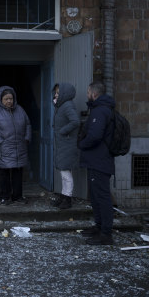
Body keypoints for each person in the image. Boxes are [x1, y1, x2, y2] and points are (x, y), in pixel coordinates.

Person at [77, 81, 115, 245]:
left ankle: (106, 233)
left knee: (101, 196)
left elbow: (95, 136)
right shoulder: (102, 109)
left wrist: (81, 144)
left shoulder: (100, 111)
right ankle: (99, 227)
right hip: (98, 160)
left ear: (94, 93)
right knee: (95, 195)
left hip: (99, 160)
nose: (87, 95)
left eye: (87, 92)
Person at [0, 86, 31, 205]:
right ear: (1, 99)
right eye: (6, 99)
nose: (9, 101)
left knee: (17, 173)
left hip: (19, 147)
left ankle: (17, 196)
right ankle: (5, 196)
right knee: (4, 174)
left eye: (11, 98)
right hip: (4, 148)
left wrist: (27, 138)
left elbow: (28, 124)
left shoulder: (20, 110)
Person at [52, 83, 80, 209]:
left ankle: (67, 199)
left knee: (66, 173)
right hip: (63, 144)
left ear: (64, 93)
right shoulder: (61, 105)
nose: (56, 95)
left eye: (58, 93)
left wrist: (63, 131)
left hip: (67, 144)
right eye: (56, 93)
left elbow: (75, 121)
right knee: (64, 173)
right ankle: (64, 196)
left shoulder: (67, 105)